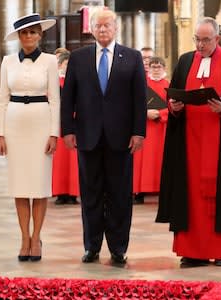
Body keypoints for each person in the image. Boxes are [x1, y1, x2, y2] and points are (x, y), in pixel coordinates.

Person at [157, 17, 221, 267]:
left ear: (217, 39)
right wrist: (175, 106)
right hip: (189, 144)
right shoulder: (186, 60)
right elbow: (174, 96)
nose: (200, 45)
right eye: (197, 40)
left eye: (205, 40)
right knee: (189, 197)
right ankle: (191, 251)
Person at [61, 9, 147, 265]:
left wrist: (138, 132)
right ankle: (92, 246)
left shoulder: (132, 57)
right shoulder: (78, 58)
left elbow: (139, 99)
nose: (102, 30)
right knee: (91, 194)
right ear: (92, 29)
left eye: (107, 25)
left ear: (116, 27)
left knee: (120, 194)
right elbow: (69, 99)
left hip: (121, 138)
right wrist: (68, 129)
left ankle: (119, 247)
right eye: (97, 26)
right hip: (88, 136)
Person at [0, 13, 60, 262]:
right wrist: (0, 133)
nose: (29, 36)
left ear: (40, 35)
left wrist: (54, 133)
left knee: (40, 185)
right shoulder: (8, 61)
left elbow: (55, 99)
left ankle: (37, 238)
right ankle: (24, 237)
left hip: (41, 123)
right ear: (19, 37)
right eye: (24, 33)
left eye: (33, 32)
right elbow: (2, 99)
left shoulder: (50, 62)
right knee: (20, 186)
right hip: (14, 124)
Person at [133, 56, 169, 204]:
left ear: (164, 68)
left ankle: (161, 189)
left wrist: (160, 114)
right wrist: (145, 113)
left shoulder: (168, 85)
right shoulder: (141, 84)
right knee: (141, 160)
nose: (156, 69)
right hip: (144, 127)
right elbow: (133, 103)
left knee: (159, 159)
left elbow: (174, 106)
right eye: (153, 67)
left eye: (159, 67)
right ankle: (139, 191)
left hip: (161, 128)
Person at [52, 51, 80, 205]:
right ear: (59, 65)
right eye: (66, 64)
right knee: (59, 162)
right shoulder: (54, 82)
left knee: (73, 162)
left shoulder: (78, 81)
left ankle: (73, 193)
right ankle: (60, 193)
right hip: (58, 125)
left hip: (75, 124)